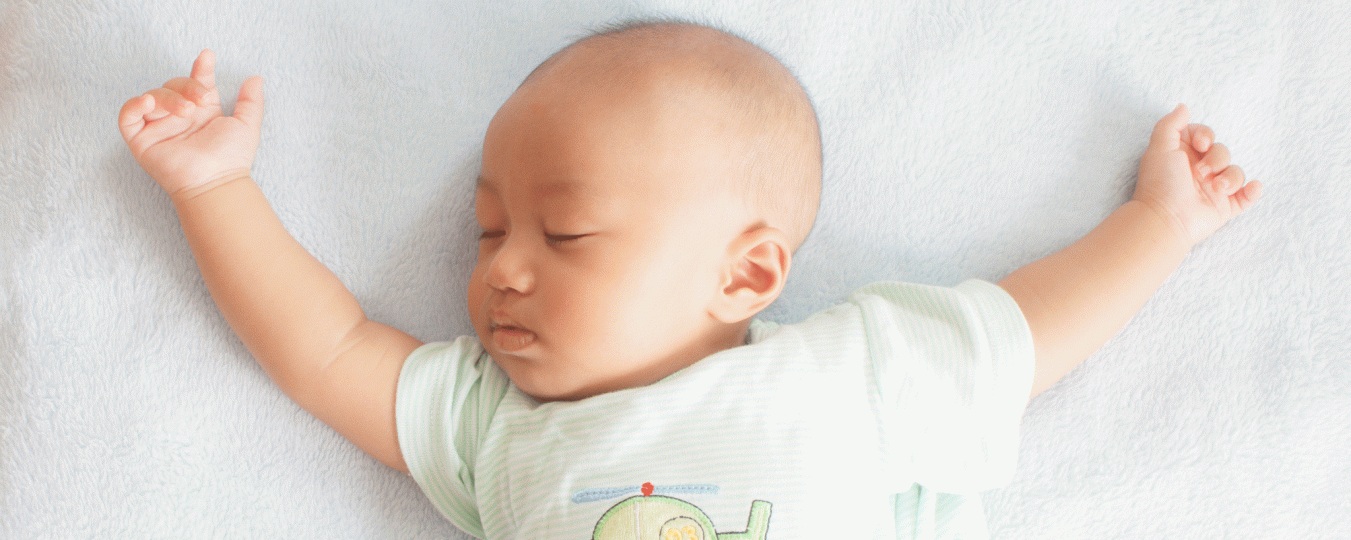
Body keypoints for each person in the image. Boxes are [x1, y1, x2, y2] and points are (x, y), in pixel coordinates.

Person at [117, 20, 1261, 540]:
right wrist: (213, 191)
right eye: (485, 232)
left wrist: (1161, 224)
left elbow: (1023, 337)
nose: (502, 270)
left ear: (747, 271)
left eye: (563, 236)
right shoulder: (495, 421)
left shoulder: (844, 376)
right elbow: (323, 352)